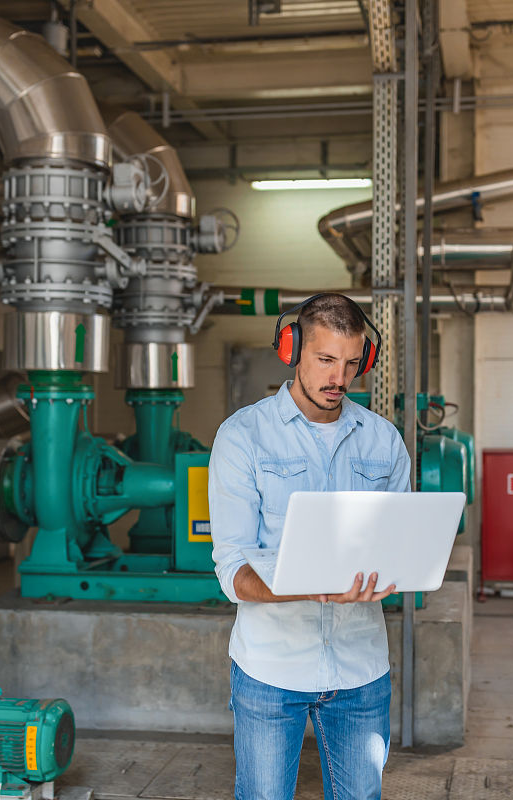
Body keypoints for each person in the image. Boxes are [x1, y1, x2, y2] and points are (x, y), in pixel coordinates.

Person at [209, 293, 411, 800]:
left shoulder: (384, 442)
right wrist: (311, 587)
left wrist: (396, 570)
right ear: (292, 348)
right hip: (271, 670)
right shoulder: (243, 438)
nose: (338, 379)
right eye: (325, 360)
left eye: (349, 364)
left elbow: (400, 544)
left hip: (361, 669)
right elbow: (233, 570)